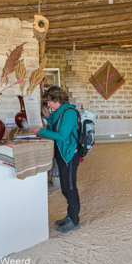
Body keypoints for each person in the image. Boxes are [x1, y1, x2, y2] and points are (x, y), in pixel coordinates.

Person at [31, 86, 81, 233]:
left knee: (69, 188)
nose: (48, 104)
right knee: (65, 187)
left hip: (70, 155)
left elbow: (61, 135)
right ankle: (70, 216)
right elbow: (55, 126)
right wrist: (47, 117)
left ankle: (74, 221)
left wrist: (40, 131)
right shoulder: (60, 111)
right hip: (62, 152)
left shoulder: (69, 112)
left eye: (49, 102)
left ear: (57, 100)